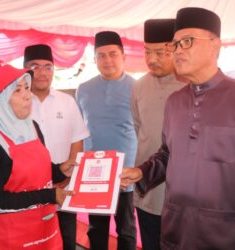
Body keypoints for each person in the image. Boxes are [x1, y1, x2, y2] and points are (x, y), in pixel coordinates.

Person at [120, 7, 235, 250]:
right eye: (175, 44)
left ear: (216, 46)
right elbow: (168, 154)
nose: (178, 51)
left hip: (225, 235)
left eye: (187, 41)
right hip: (176, 231)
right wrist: (143, 172)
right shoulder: (175, 102)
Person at [0, 60, 74, 250]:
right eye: (17, 90)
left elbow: (40, 173)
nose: (28, 96)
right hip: (10, 238)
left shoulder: (32, 127)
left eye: (27, 88)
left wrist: (60, 171)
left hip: (46, 231)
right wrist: (50, 195)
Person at [23, 44, 90, 250]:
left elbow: (77, 139)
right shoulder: (17, 101)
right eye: (35, 66)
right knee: (34, 242)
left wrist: (68, 176)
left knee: (66, 241)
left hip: (63, 188)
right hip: (29, 190)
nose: (42, 73)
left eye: (48, 67)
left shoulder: (67, 101)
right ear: (25, 69)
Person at [76, 31, 137, 250]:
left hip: (125, 172)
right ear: (94, 60)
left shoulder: (137, 88)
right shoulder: (83, 89)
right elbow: (78, 130)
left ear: (123, 56)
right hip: (95, 172)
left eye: (113, 54)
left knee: (126, 228)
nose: (107, 60)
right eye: (101, 55)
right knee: (96, 228)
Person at [131, 19, 185, 250]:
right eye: (147, 52)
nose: (152, 60)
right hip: (148, 189)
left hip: (183, 192)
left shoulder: (190, 86)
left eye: (161, 52)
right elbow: (138, 127)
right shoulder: (139, 86)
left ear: (176, 49)